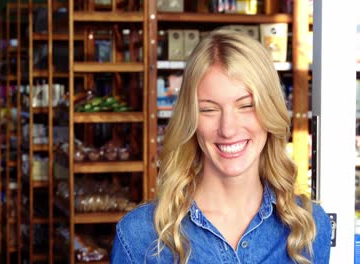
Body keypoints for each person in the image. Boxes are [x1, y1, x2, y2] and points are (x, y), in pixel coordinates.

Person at [110, 29, 332, 264]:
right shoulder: (141, 236)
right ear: (191, 120)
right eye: (209, 109)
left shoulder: (309, 227)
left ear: (270, 111)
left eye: (246, 106)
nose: (228, 129)